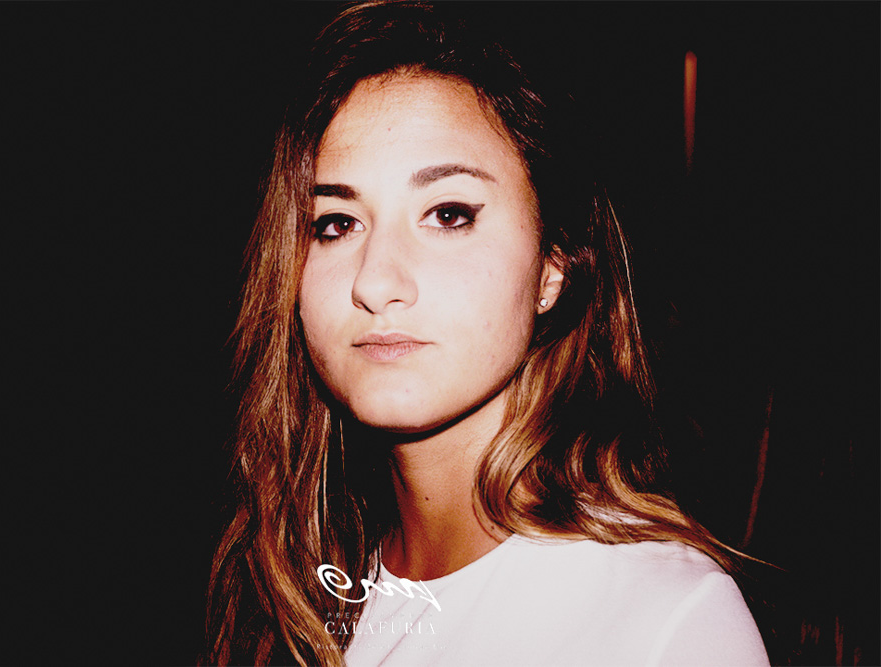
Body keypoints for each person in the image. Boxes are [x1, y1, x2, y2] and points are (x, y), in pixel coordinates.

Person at [203, 2, 769, 665]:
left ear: (553, 266)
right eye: (337, 223)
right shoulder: (289, 587)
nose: (375, 281)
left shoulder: (664, 622)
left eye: (448, 214)